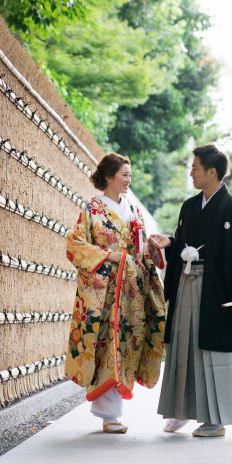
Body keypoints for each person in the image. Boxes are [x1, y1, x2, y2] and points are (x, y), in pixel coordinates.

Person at [148, 144, 232, 437]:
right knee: (183, 345)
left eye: (195, 168)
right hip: (187, 282)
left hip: (216, 289)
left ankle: (216, 419)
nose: (191, 173)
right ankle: (181, 410)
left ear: (212, 172)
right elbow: (186, 242)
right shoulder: (189, 206)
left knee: (213, 350)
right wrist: (170, 243)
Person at [65, 153, 166, 434]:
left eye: (129, 175)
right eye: (123, 175)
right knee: (107, 346)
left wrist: (152, 249)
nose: (128, 180)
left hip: (132, 292)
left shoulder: (132, 209)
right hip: (107, 293)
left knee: (126, 347)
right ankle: (109, 414)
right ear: (108, 177)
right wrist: (110, 255)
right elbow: (75, 245)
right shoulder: (92, 211)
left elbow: (141, 248)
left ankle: (112, 410)